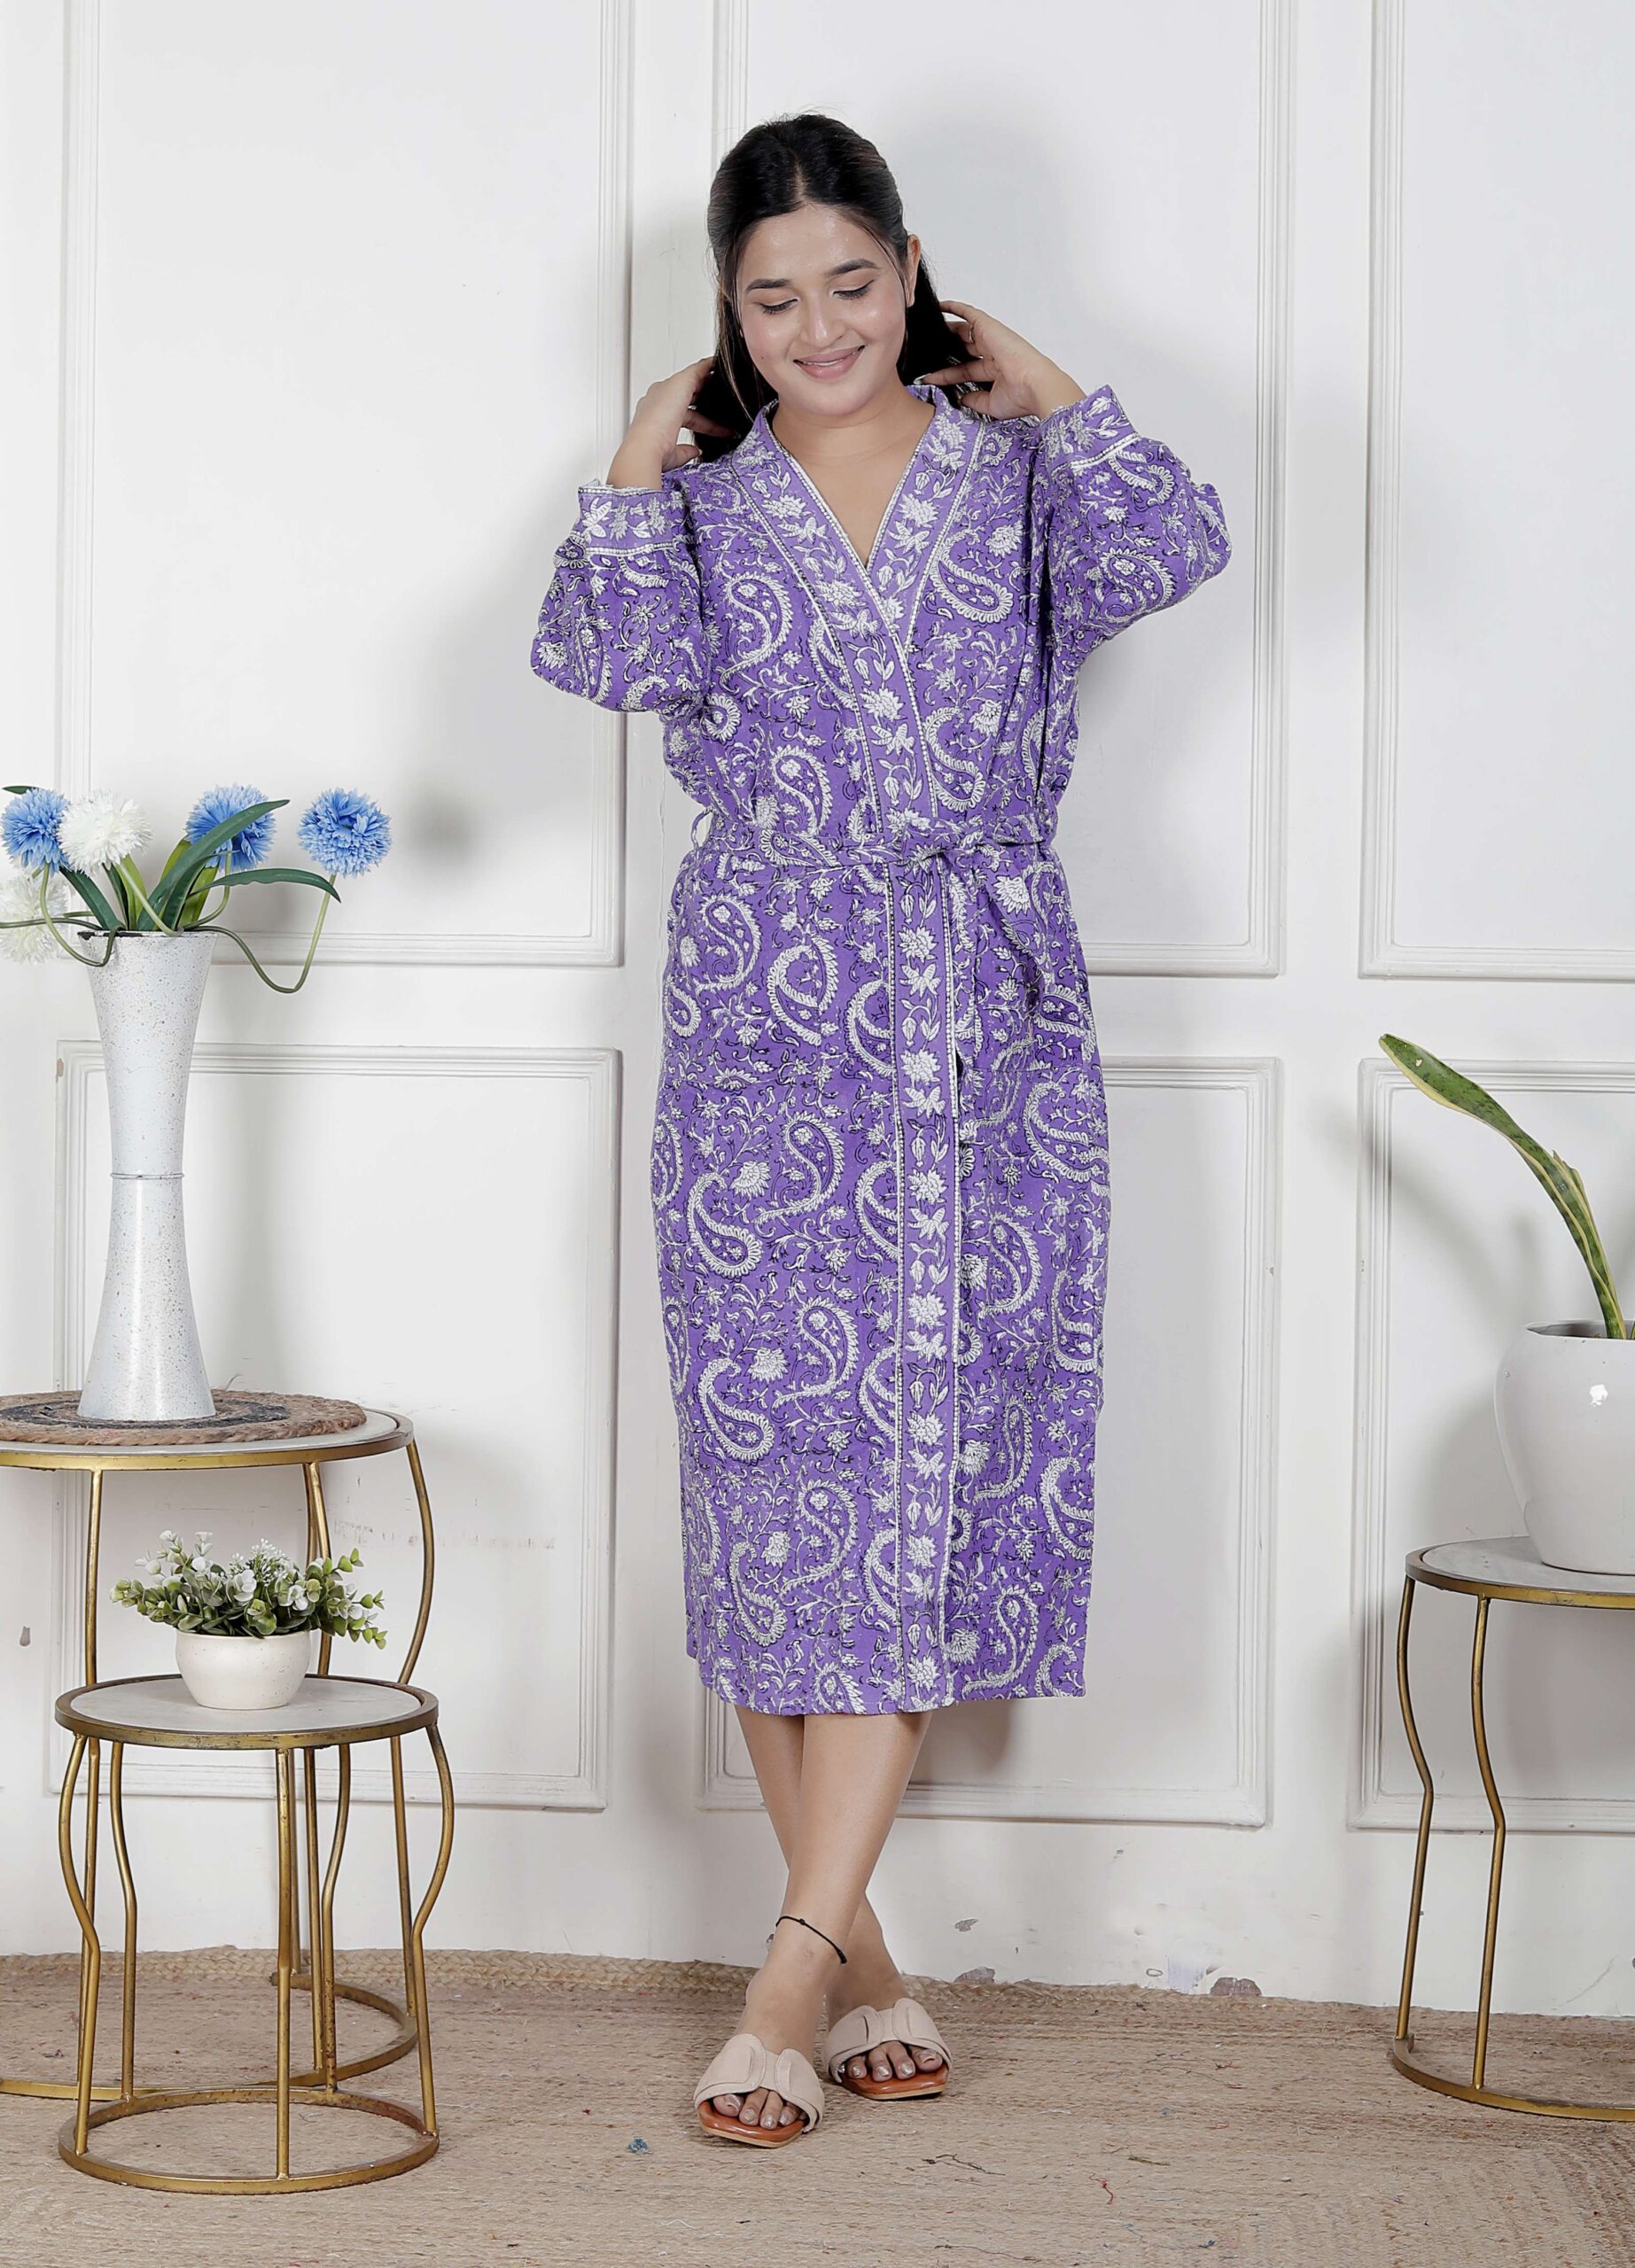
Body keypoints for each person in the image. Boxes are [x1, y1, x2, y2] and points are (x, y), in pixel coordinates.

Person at [530, 112, 1231, 2149]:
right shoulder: (705, 503)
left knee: (919, 1489)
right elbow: (601, 658)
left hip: (979, 1031)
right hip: (756, 1030)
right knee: (776, 1499)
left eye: (853, 281)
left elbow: (1170, 545)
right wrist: (633, 453)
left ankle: (778, 1976)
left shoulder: (1011, 478)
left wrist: (1049, 378)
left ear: (911, 271)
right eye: (773, 298)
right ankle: (862, 1963)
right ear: (726, 312)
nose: (820, 326)